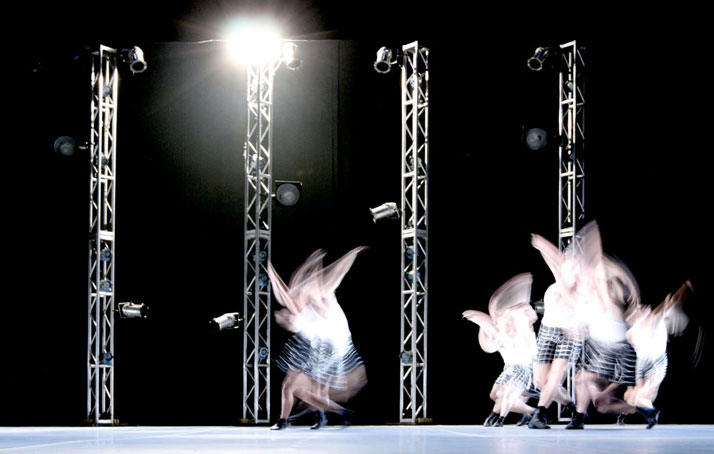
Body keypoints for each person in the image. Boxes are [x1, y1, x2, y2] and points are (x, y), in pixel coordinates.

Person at [268, 247, 368, 430]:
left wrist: (343, 257)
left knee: (296, 387)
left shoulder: (317, 303)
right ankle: (325, 414)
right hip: (321, 347)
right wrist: (272, 273)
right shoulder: (300, 310)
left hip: (328, 346)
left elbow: (332, 276)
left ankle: (328, 413)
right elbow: (284, 292)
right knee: (305, 389)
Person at [464, 273, 539, 427]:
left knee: (505, 394)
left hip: (525, 368)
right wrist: (478, 319)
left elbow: (529, 315)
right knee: (494, 394)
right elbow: (489, 338)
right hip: (510, 368)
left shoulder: (523, 329)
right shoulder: (500, 333)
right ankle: (529, 412)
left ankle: (509, 415)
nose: (501, 321)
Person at [528, 233, 583, 429]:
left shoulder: (583, 288)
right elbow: (553, 260)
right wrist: (542, 246)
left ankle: (539, 413)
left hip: (570, 335)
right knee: (541, 382)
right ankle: (574, 409)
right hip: (547, 330)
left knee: (555, 377)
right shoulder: (561, 275)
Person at [623, 280, 693, 428]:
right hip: (642, 364)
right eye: (637, 309)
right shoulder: (631, 332)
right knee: (630, 398)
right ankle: (649, 411)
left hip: (656, 362)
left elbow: (663, 308)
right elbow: (646, 319)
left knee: (640, 396)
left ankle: (651, 412)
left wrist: (682, 289)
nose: (641, 308)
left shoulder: (653, 319)